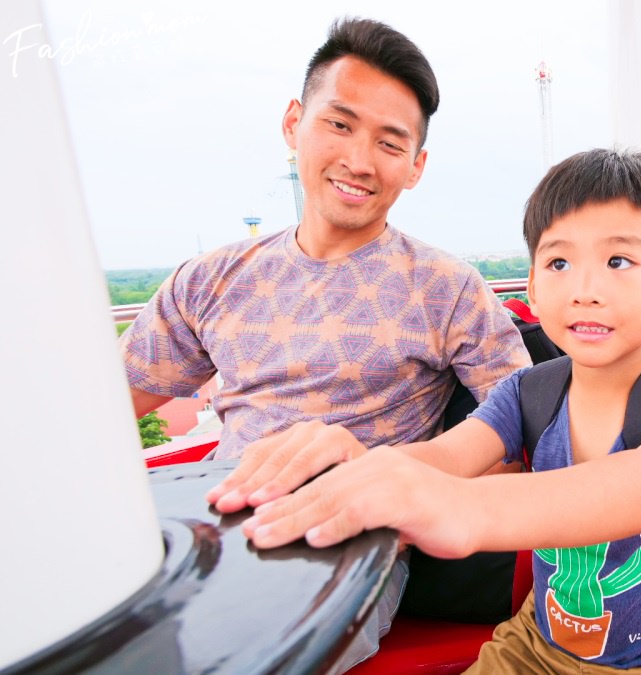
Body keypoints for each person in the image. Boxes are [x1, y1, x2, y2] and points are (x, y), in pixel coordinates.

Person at [210, 149, 641, 672]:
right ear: (533, 288)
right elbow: (448, 456)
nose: (585, 291)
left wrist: (465, 510)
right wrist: (361, 465)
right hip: (539, 643)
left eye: (618, 261)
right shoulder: (527, 392)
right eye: (559, 263)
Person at [119, 17, 530, 670]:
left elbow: (522, 443)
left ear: (416, 167)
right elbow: (102, 415)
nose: (360, 161)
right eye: (339, 124)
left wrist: (391, 486)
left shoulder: (448, 289)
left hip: (342, 552)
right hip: (213, 520)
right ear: (294, 124)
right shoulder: (209, 279)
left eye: (389, 143)